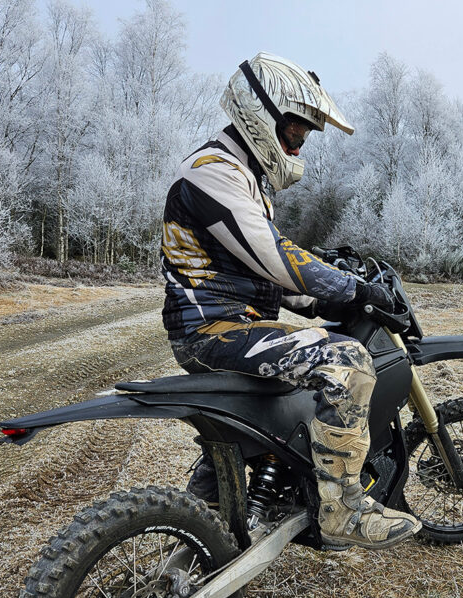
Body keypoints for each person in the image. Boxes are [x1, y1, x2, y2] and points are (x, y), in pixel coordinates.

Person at [160, 52, 420, 549]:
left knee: (265, 424)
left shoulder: (241, 175)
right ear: (263, 114)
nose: (300, 142)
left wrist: (314, 304)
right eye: (295, 129)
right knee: (348, 361)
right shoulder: (214, 170)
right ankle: (342, 510)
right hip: (213, 332)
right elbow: (275, 256)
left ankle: (194, 540)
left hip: (228, 324)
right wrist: (354, 289)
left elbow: (252, 273)